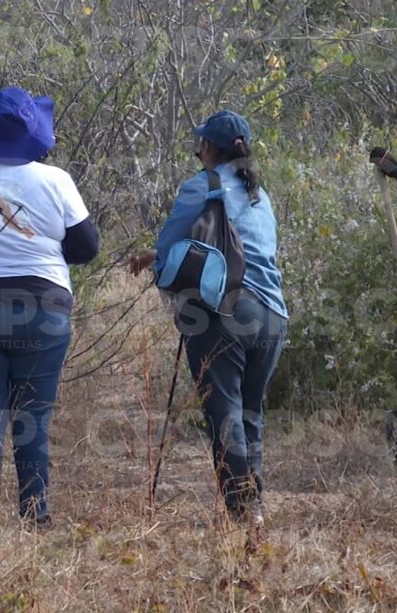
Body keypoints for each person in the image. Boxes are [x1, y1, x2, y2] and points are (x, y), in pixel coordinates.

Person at [0, 87, 100, 524]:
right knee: (32, 420)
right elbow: (87, 247)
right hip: (42, 307)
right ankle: (35, 515)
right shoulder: (56, 181)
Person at [130, 110, 288, 525]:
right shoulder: (260, 193)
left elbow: (171, 243)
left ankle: (241, 509)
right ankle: (254, 504)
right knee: (251, 411)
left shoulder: (201, 186)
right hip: (272, 314)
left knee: (224, 410)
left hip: (224, 310)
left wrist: (154, 258)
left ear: (209, 148)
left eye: (201, 142)